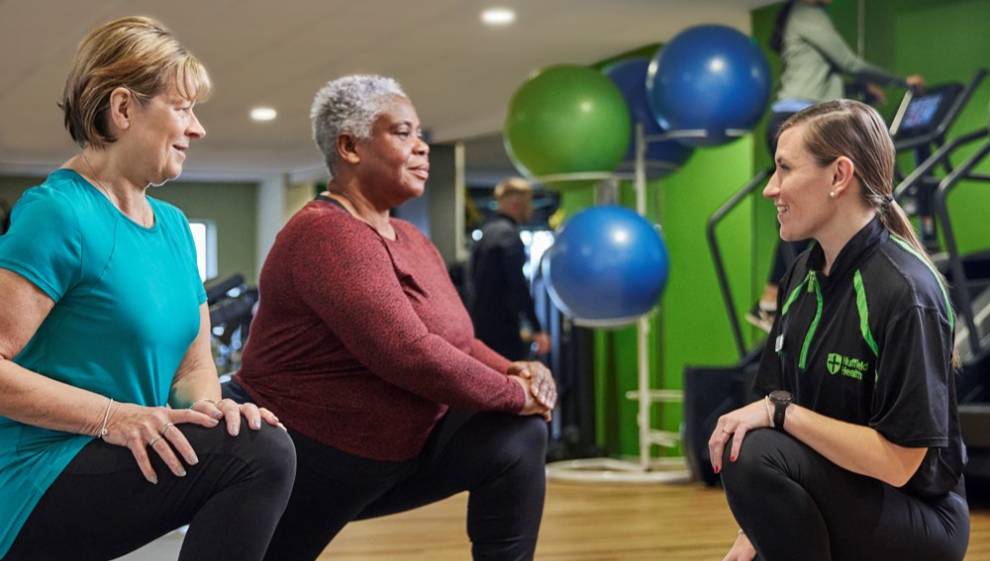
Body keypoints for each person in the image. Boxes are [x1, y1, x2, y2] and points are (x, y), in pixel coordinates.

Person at [0, 17, 295, 561]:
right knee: (262, 454)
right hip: (37, 472)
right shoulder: (57, 213)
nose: (197, 128)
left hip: (121, 451)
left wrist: (214, 412)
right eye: (182, 108)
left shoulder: (176, 228)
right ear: (123, 108)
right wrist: (113, 415)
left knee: (248, 437)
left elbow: (192, 367)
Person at [227, 74, 556, 561]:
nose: (422, 148)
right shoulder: (325, 234)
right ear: (350, 147)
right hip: (312, 461)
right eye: (403, 133)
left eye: (420, 133)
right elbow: (410, 354)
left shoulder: (413, 239)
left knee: (518, 436)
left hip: (396, 454)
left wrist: (513, 369)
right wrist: (515, 394)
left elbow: (457, 341)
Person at [710, 100, 969, 561]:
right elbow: (774, 402)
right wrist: (752, 534)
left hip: (917, 517)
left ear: (838, 176)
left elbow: (898, 464)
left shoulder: (905, 290)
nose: (771, 189)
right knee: (746, 443)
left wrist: (781, 413)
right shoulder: (799, 279)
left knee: (755, 450)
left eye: (785, 169)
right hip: (841, 494)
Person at [747, 0, 925, 332]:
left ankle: (770, 300)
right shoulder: (807, 13)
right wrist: (900, 82)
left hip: (797, 117)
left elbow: (827, 71)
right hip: (801, 120)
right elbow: (848, 61)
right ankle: (771, 300)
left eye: (783, 170)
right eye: (779, 169)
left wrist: (861, 89)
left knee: (804, 211)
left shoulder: (805, 17)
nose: (771, 186)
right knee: (798, 209)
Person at [469, 177, 551, 361]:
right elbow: (517, 286)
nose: (531, 209)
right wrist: (536, 329)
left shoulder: (487, 233)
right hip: (503, 332)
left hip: (481, 328)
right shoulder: (508, 235)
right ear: (517, 204)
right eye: (529, 203)